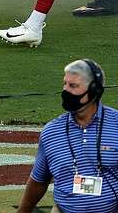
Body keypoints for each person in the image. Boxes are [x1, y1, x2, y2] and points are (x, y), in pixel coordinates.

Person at [17, 59, 117, 213]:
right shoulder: (52, 131)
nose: (65, 91)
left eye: (73, 86)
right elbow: (39, 180)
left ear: (95, 90)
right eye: (65, 84)